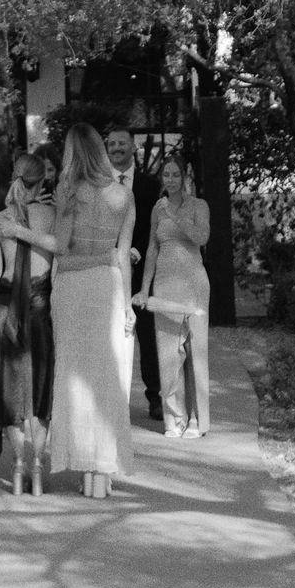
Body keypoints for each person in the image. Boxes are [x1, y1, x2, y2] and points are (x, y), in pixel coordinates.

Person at [50, 122, 136, 499]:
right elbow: (123, 256)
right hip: (109, 287)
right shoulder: (124, 195)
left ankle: (86, 465)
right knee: (107, 379)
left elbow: (61, 251)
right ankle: (101, 472)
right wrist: (128, 304)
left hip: (73, 288)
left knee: (74, 379)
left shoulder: (68, 191)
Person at [0, 154, 56, 496]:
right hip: (41, 309)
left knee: (10, 392)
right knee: (40, 390)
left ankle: (18, 464)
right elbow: (61, 254)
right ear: (42, 183)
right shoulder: (52, 215)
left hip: (6, 308)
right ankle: (37, 465)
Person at [133, 153, 211, 439]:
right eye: (166, 175)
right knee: (168, 354)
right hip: (164, 284)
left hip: (193, 282)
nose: (171, 180)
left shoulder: (199, 206)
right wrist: (144, 288)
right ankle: (174, 418)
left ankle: (196, 419)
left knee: (194, 350)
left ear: (184, 176)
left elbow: (202, 237)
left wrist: (175, 215)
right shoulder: (157, 208)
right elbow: (152, 249)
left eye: (175, 174)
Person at [105, 126, 163, 421]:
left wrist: (135, 251)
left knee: (148, 336)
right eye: (112, 144)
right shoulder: (98, 184)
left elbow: (155, 225)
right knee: (108, 336)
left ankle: (156, 396)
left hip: (140, 271)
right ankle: (111, 400)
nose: (116, 148)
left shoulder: (150, 185)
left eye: (122, 143)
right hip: (105, 269)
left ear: (133, 147)